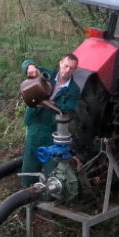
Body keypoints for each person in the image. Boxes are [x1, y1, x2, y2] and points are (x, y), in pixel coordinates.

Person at [21, 54, 81, 185]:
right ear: (60, 63)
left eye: (71, 68)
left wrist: (49, 103)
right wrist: (30, 66)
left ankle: (49, 195)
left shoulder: (74, 90)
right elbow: (26, 63)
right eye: (66, 66)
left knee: (51, 169)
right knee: (30, 164)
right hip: (35, 124)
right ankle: (27, 194)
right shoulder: (46, 73)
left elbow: (69, 108)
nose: (67, 70)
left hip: (52, 131)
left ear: (75, 70)